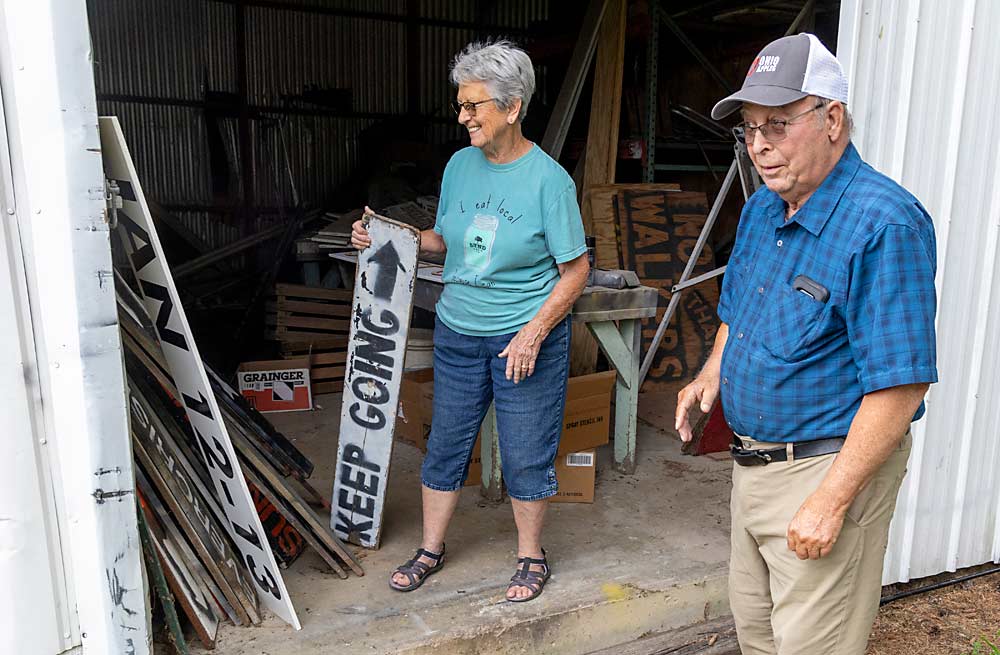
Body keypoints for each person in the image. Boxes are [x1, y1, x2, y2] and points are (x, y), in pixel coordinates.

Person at [675, 33, 938, 654]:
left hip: (823, 470)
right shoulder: (765, 208)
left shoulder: (885, 223)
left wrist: (830, 501)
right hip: (754, 468)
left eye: (777, 125)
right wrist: (713, 373)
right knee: (759, 634)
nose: (760, 146)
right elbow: (739, 312)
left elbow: (901, 385)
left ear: (832, 120)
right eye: (749, 130)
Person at [351, 40, 589, 602]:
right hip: (459, 333)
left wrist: (533, 332)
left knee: (526, 452)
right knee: (446, 446)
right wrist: (390, 234)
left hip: (520, 339)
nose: (462, 118)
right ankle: (431, 548)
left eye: (473, 106)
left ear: (512, 107)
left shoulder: (549, 182)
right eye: (460, 105)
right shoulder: (460, 165)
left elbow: (575, 272)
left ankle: (531, 557)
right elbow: (446, 242)